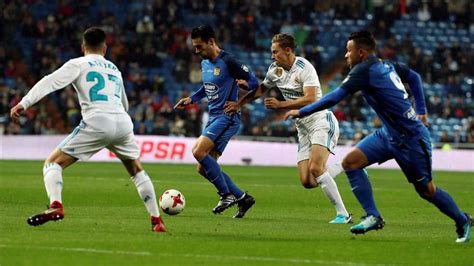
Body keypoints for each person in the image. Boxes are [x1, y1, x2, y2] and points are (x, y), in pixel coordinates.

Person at [284, 31, 472, 242]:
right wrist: (421, 110)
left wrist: (302, 111)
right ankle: (373, 215)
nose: (346, 55)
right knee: (351, 162)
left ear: (361, 53)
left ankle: (461, 219)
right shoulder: (386, 64)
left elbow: (336, 96)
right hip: (388, 134)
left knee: (426, 190)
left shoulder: (363, 71)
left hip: (411, 139)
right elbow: (414, 77)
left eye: (349, 51)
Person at [10, 27, 166, 232]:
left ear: (83, 46)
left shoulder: (78, 63)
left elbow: (50, 81)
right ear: (105, 47)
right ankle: (157, 221)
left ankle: (56, 206)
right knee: (137, 171)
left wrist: (25, 102)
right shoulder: (114, 69)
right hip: (122, 122)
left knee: (52, 164)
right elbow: (125, 104)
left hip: (97, 121)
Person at [224, 33, 351, 224]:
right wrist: (239, 103)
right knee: (307, 182)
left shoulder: (304, 67)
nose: (272, 56)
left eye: (275, 52)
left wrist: (281, 105)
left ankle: (343, 214)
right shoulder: (274, 70)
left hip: (320, 121)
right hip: (303, 127)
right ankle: (347, 165)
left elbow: (311, 98)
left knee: (316, 168)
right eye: (271, 52)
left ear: (288, 50)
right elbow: (260, 89)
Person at [174, 25, 257, 218]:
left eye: (199, 46)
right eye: (195, 47)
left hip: (226, 117)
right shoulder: (205, 63)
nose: (197, 51)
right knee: (203, 168)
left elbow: (254, 83)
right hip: (213, 116)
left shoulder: (229, 61)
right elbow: (207, 87)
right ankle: (243, 198)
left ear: (211, 42)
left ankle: (225, 194)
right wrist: (191, 99)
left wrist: (239, 102)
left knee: (198, 151)